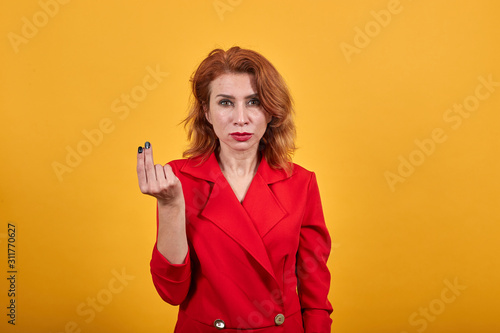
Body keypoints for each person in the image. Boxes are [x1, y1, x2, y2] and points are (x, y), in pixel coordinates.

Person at [136, 46, 333, 332]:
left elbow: (315, 296)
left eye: (253, 102)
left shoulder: (301, 183)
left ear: (271, 111)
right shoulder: (178, 179)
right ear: (206, 111)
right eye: (226, 103)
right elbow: (172, 292)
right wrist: (170, 206)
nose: (241, 118)